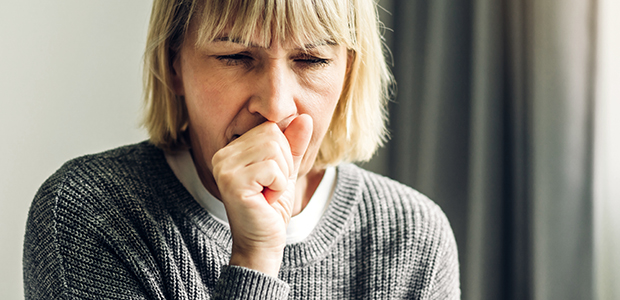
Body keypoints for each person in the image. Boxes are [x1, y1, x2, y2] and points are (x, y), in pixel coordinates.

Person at [23, 0, 460, 299]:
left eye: (311, 61)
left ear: (349, 72)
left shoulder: (412, 235)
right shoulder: (91, 211)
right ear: (174, 63)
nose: (274, 105)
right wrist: (255, 257)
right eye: (235, 56)